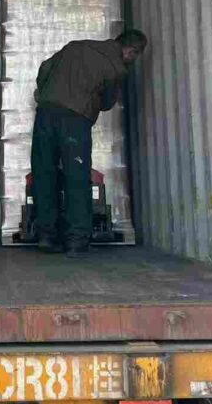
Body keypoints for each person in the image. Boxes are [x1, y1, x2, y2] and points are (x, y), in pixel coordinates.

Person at [31, 29, 147, 258]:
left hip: (45, 113)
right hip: (74, 121)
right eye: (134, 56)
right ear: (130, 51)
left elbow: (44, 68)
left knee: (44, 173)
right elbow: (106, 103)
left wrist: (48, 92)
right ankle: (77, 240)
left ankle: (46, 235)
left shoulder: (76, 46)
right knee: (76, 177)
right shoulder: (115, 68)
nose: (132, 60)